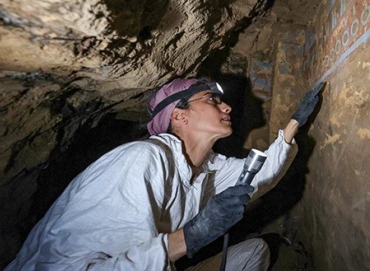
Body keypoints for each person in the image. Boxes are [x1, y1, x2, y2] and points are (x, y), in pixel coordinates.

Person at [7, 77, 323, 270]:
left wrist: (294, 124)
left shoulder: (209, 166)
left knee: (254, 253)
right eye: (213, 100)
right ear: (178, 115)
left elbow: (261, 174)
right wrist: (192, 235)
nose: (226, 107)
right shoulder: (141, 161)